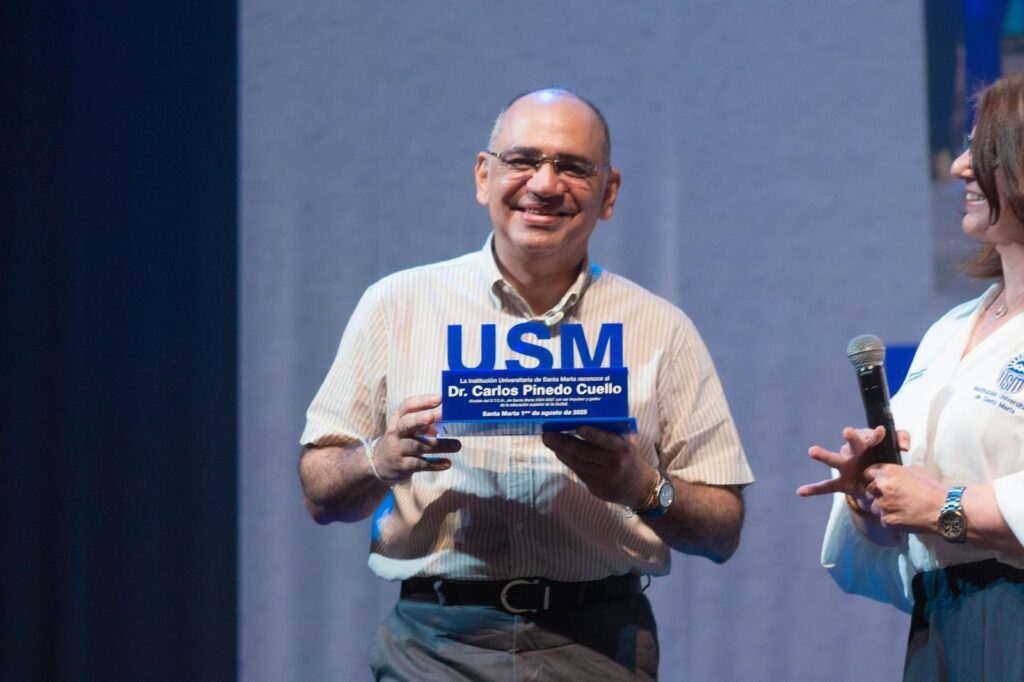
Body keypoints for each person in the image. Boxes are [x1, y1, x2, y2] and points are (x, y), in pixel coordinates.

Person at [299, 87, 754, 680]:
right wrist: (378, 460)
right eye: (523, 160)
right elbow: (319, 493)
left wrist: (642, 487)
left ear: (609, 193)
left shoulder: (661, 328)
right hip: (434, 647)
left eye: (573, 167)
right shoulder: (396, 305)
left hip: (598, 643)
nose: (544, 184)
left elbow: (722, 531)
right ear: (483, 176)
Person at [798, 73, 1024, 680]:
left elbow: (941, 505)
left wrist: (944, 505)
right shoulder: (952, 328)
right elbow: (912, 527)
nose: (959, 167)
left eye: (984, 150)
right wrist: (873, 494)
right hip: (943, 621)